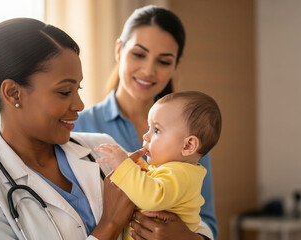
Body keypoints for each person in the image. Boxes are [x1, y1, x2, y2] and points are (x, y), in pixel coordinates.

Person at [0, 18, 213, 240]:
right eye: (64, 91)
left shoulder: (100, 148)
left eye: (78, 89)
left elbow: (184, 214)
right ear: (13, 92)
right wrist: (109, 226)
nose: (79, 105)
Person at [73, 5, 219, 238]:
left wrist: (187, 237)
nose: (148, 70)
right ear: (119, 50)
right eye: (139, 54)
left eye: (163, 61)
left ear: (175, 66)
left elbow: (206, 219)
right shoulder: (78, 126)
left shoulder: (192, 135)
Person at [95, 91, 222, 240]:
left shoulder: (182, 174)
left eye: (157, 130)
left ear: (188, 146)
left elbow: (152, 197)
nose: (146, 136)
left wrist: (124, 167)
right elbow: (156, 183)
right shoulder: (174, 171)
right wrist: (139, 168)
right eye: (149, 128)